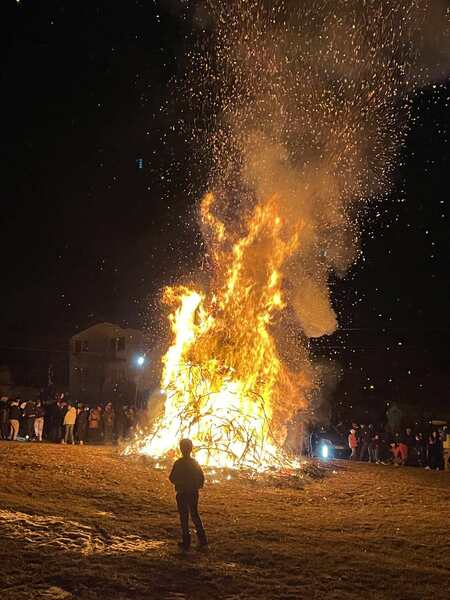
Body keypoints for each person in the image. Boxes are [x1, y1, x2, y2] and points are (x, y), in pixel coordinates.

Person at [169, 438, 207, 550]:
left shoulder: (178, 463)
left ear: (181, 449)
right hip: (193, 493)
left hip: (181, 493)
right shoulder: (195, 463)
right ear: (191, 449)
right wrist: (196, 486)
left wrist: (180, 483)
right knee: (195, 515)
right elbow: (201, 478)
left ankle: (186, 540)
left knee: (184, 517)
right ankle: (202, 539)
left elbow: (172, 478)